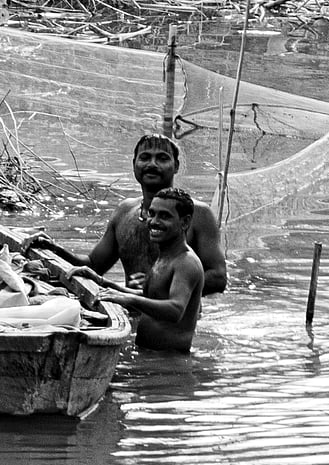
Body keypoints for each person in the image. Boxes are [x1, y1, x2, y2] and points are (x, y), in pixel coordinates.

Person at [29, 133, 227, 295]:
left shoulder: (197, 214)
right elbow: (93, 265)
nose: (152, 164)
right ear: (134, 164)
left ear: (176, 167)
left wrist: (159, 285)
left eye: (162, 158)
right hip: (128, 308)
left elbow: (218, 277)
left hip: (173, 322)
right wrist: (53, 248)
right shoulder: (125, 211)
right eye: (145, 157)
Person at [97, 187, 204, 353]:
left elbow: (175, 310)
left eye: (164, 216)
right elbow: (150, 298)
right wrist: (103, 282)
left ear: (184, 222)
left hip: (169, 365)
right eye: (151, 213)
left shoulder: (186, 263)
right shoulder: (165, 256)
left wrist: (130, 300)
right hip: (149, 358)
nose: (153, 221)